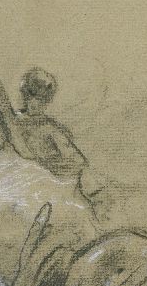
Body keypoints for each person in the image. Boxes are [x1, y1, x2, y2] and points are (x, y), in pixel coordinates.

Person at [15, 67, 95, 197]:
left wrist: (52, 167)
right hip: (26, 177)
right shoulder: (14, 121)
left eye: (41, 99)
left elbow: (78, 161)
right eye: (31, 96)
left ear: (47, 101)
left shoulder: (51, 128)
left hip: (52, 180)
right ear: (25, 95)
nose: (35, 103)